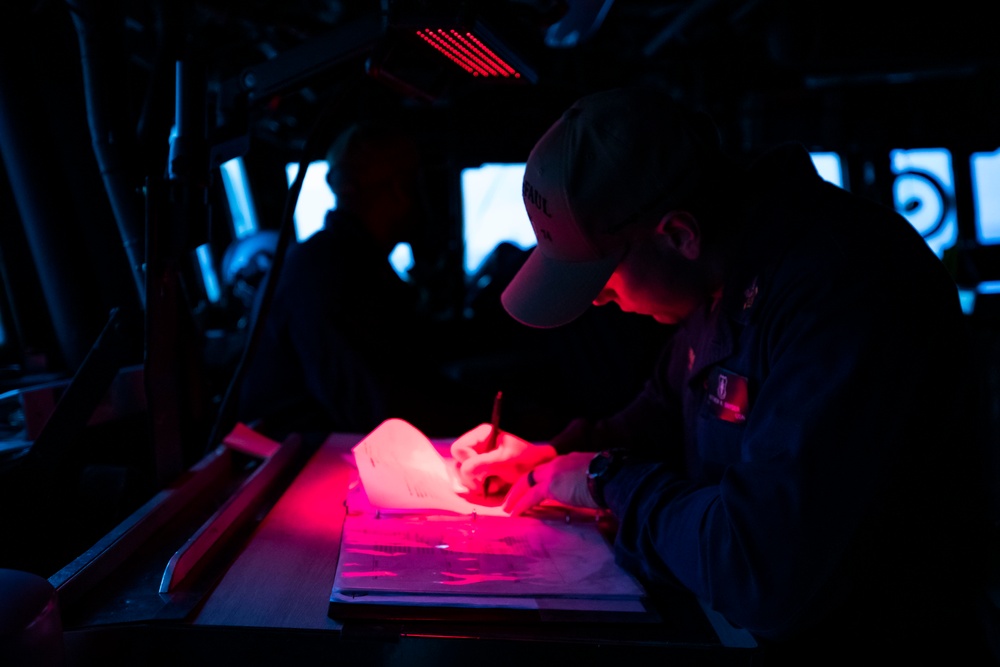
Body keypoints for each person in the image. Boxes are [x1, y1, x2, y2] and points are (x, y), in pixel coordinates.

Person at [449, 87, 991, 662]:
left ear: (678, 235)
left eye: (602, 277)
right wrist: (550, 460)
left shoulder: (840, 290)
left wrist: (605, 479)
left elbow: (762, 571)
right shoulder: (720, 283)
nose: (600, 300)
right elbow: (656, 417)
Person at [239, 121, 479, 441]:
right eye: (417, 182)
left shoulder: (350, 265)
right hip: (302, 466)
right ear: (399, 189)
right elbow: (381, 412)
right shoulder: (326, 275)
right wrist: (500, 424)